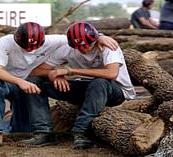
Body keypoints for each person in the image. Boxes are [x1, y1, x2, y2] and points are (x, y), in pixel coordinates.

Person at [0, 22, 119, 148]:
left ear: (44, 40)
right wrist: (20, 81)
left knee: (21, 130)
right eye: (25, 47)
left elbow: (81, 36)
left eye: (35, 47)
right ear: (16, 39)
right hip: (9, 83)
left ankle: (8, 121)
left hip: (30, 88)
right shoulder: (5, 42)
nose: (30, 50)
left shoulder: (55, 41)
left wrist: (100, 37)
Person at [22, 21, 136, 149]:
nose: (83, 49)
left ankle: (81, 132)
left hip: (115, 91)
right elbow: (35, 71)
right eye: (78, 47)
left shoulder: (107, 46)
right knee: (35, 81)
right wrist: (55, 75)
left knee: (99, 82)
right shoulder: (67, 48)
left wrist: (70, 70)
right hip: (86, 88)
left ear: (95, 39)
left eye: (87, 45)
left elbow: (112, 74)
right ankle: (43, 132)